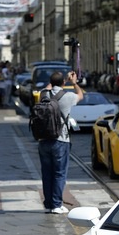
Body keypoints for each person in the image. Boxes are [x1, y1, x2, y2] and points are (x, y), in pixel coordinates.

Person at [38, 70, 83, 214]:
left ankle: (48, 204)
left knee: (46, 173)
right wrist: (74, 83)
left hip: (43, 140)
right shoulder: (68, 96)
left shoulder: (43, 94)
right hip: (60, 139)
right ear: (63, 82)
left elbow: (48, 88)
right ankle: (56, 205)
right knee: (59, 173)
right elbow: (81, 95)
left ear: (51, 82)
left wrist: (53, 82)